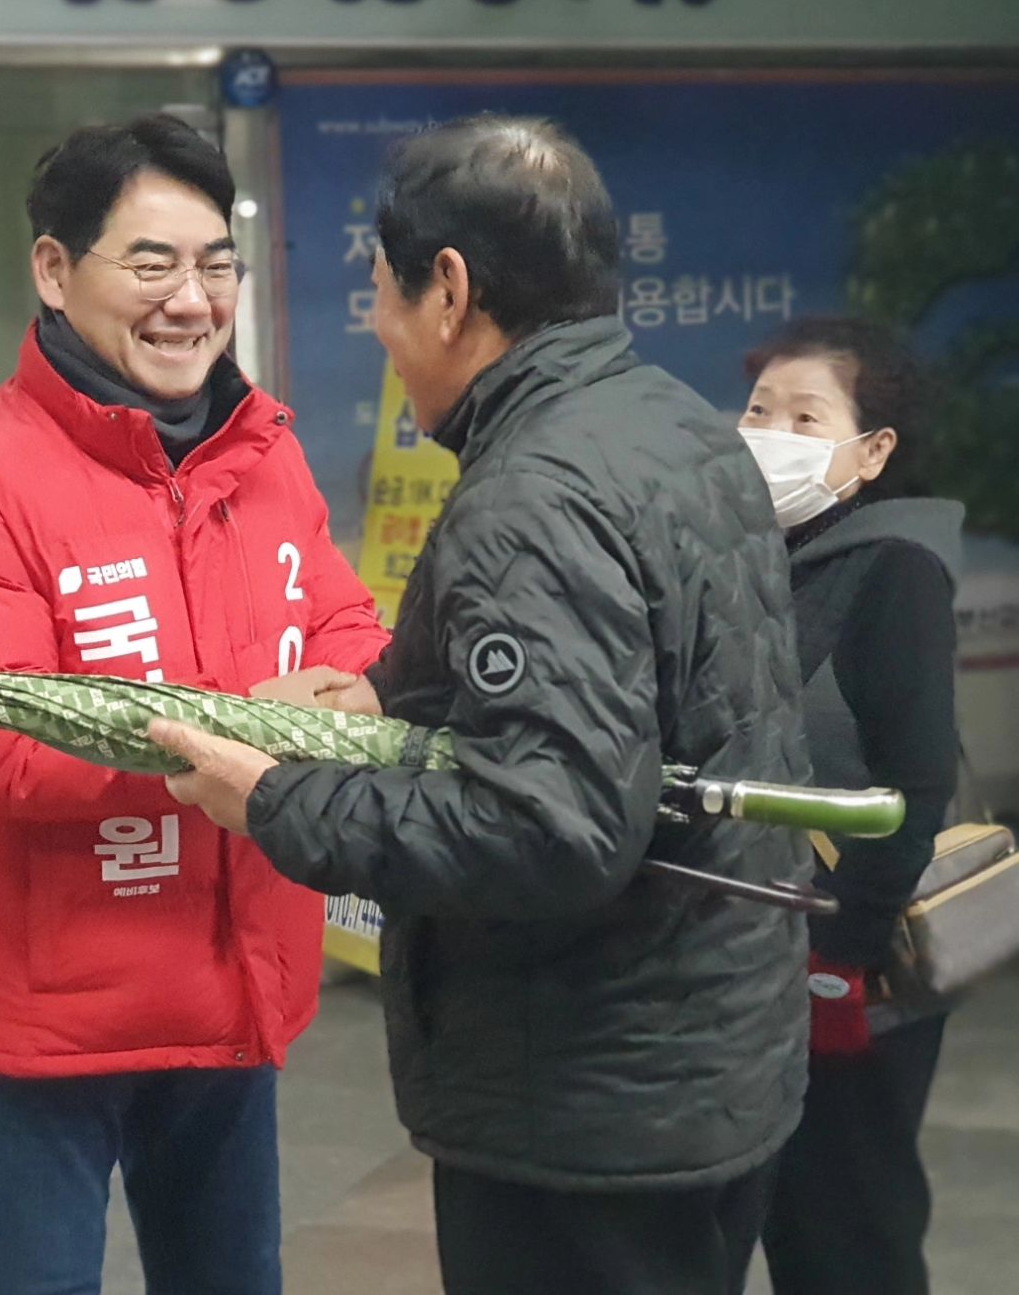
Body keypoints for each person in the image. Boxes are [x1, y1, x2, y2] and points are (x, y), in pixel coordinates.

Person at [148, 115, 812, 1295]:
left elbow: (549, 829)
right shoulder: (671, 423)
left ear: (449, 290)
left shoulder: (532, 493)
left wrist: (280, 798)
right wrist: (382, 694)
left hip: (582, 1104)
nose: (377, 326)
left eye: (381, 292)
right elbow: (634, 686)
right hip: (711, 1059)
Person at [0, 114, 387, 1295]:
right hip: (50, 1014)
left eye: (216, 265)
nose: (191, 301)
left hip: (235, 979)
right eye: (152, 263)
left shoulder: (262, 450)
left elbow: (343, 623)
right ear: (55, 271)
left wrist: (356, 691)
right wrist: (245, 731)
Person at [738, 318, 963, 1295]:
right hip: (758, 963)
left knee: (848, 1236)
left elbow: (917, 783)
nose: (771, 434)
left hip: (852, 971)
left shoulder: (894, 569)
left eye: (805, 417)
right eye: (759, 411)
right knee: (788, 1219)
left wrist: (844, 959)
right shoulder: (760, 559)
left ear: (872, 452)